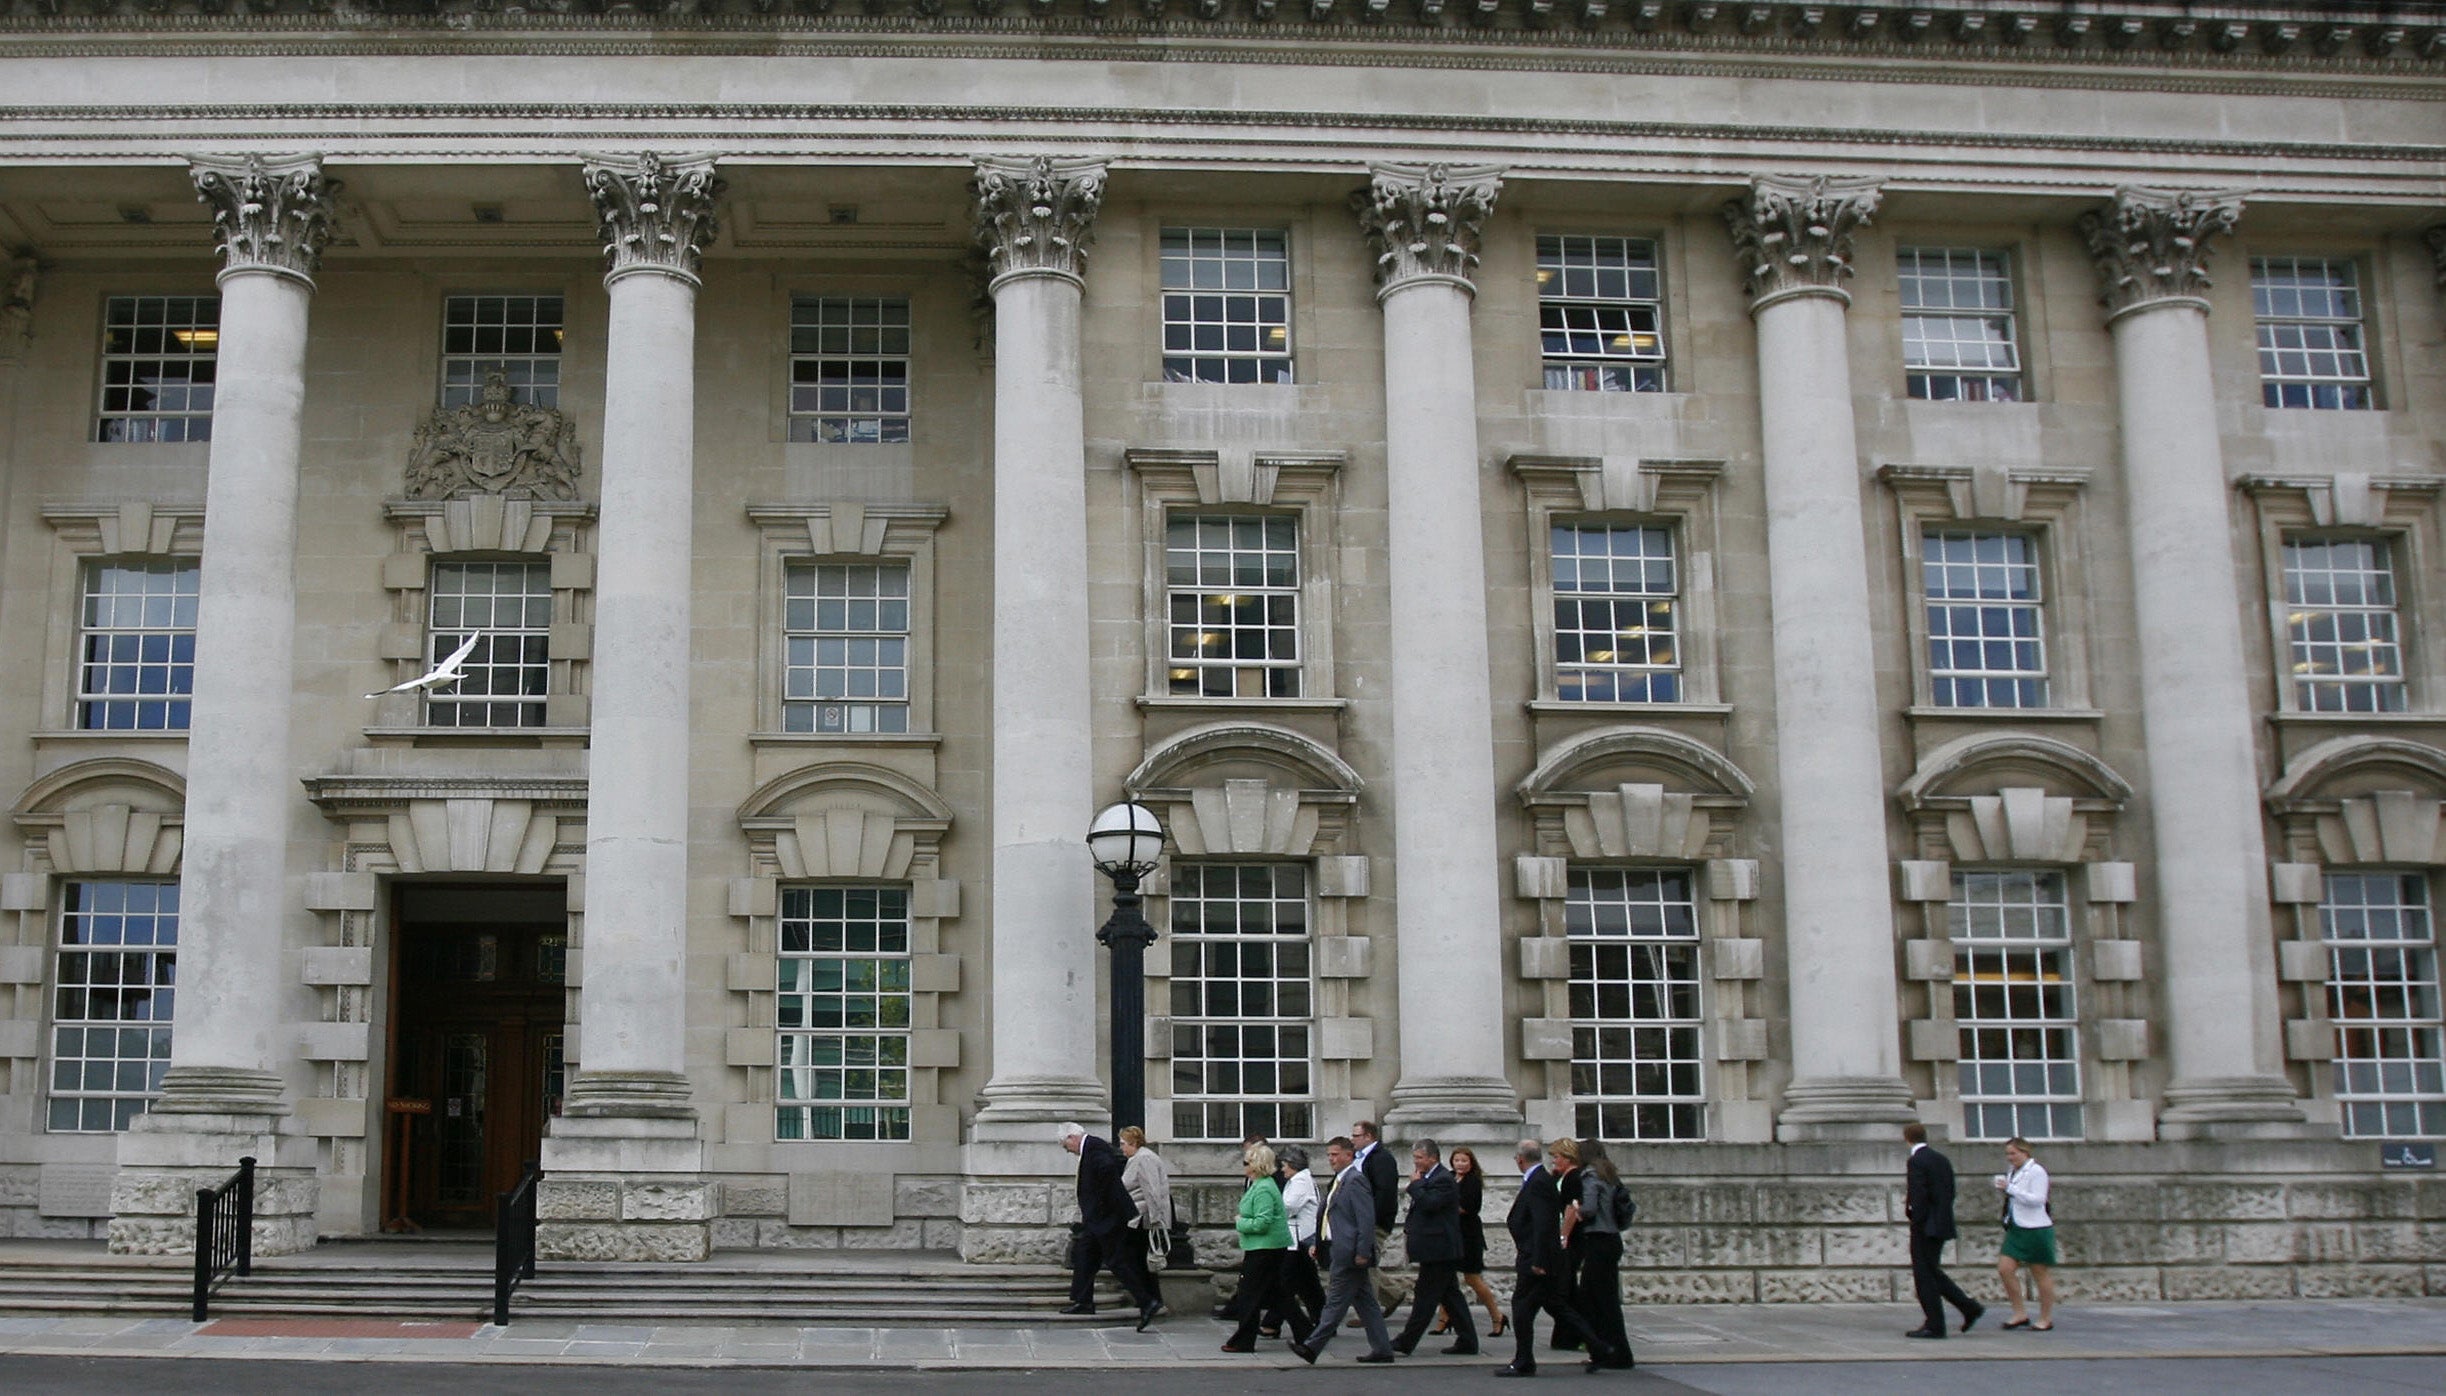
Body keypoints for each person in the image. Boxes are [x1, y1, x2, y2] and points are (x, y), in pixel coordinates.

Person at [1498, 1137, 1623, 1375]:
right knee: (1556, 1305)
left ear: (1520, 1159)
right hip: (1544, 1255)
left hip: (1538, 1257)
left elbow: (1544, 1224)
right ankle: (1598, 1347)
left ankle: (1524, 1360)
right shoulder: (1542, 1179)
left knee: (1522, 1307)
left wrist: (1539, 1260)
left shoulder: (1538, 1182)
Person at [1288, 1136, 1396, 1365]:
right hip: (1338, 1248)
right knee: (1367, 1304)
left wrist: (1363, 1251)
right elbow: (1328, 1216)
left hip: (1349, 1252)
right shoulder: (1339, 1180)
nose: (1331, 1159)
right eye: (1329, 1155)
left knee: (1335, 1303)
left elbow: (1365, 1219)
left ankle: (1311, 1347)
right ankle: (1383, 1349)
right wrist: (1320, 1242)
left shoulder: (1356, 1180)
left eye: (1335, 1155)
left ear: (1349, 1155)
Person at [1057, 1122, 1163, 1330]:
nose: (1066, 1150)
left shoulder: (1094, 1149)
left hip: (1106, 1218)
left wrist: (1102, 1206)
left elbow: (1108, 1174)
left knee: (1117, 1261)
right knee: (1084, 1255)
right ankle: (1083, 1301)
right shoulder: (1091, 1149)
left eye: (1064, 1145)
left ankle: (1147, 1301)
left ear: (1072, 1138)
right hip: (1098, 1218)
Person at [1389, 1137, 1477, 1357]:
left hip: (1440, 1248)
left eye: (1419, 1158)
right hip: (1433, 1248)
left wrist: (1415, 1185)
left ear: (1432, 1157)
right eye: (1415, 1158)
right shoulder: (1429, 1177)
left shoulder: (1444, 1179)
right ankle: (1468, 1340)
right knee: (1451, 1296)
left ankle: (1406, 1341)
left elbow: (1430, 1204)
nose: (1416, 1162)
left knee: (1425, 1297)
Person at [1902, 1122, 1984, 1339]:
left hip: (1924, 1225)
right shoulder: (1941, 1159)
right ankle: (1968, 1307)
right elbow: (1949, 1191)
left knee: (1924, 1276)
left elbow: (1918, 1195)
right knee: (1932, 1271)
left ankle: (1935, 1323)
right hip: (1941, 1222)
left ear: (1907, 1138)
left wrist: (1914, 1217)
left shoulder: (1916, 1161)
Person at [1564, 1138, 1633, 1369]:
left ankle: (1609, 1352)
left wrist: (1576, 1208)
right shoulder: (1609, 1174)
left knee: (1594, 1301)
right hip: (1612, 1240)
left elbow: (1590, 1209)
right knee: (1606, 1300)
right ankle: (1610, 1351)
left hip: (1598, 1240)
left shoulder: (1590, 1176)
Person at [1222, 1143, 1294, 1353]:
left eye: (1246, 1162)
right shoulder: (1262, 1184)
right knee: (1278, 1295)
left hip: (1265, 1247)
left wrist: (1240, 1222)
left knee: (1248, 1295)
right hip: (1267, 1246)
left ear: (1255, 1165)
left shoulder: (1263, 1188)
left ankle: (1243, 1340)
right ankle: (1306, 1332)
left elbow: (1262, 1223)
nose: (1244, 1166)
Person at [1440, 1146, 1507, 1340]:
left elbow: (1469, 1207)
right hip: (1451, 1234)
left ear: (1471, 1163)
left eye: (1464, 1161)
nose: (1460, 1164)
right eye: (1457, 1160)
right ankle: (1444, 1318)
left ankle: (1497, 1316)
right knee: (1446, 1278)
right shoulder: (1449, 1177)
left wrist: (1443, 1206)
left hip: (1468, 1235)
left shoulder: (1473, 1182)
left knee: (1472, 1278)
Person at [1994, 1137, 2058, 1332]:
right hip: (2017, 1227)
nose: (2010, 1157)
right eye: (2007, 1154)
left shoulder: (2037, 1171)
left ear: (2025, 1152)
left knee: (2039, 1272)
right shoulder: (2013, 1171)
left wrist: (2010, 1189)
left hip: (2036, 1228)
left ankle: (2045, 1317)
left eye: (2013, 1153)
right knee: (2005, 1269)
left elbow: (2038, 1199)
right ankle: (2019, 1312)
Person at [1266, 1144, 1325, 1340]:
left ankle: (1273, 1323)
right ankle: (1323, 1319)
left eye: (1284, 1165)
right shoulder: (1299, 1179)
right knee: (1307, 1283)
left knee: (1285, 1282)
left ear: (1293, 1164)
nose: (1282, 1169)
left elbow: (1288, 1207)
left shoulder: (1300, 1181)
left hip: (1298, 1238)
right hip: (1298, 1238)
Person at [1118, 1126, 1174, 1306]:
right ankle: (1150, 1297)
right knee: (1140, 1259)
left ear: (1133, 1143)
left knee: (1137, 1259)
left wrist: (1156, 1218)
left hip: (1144, 1217)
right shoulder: (1139, 1158)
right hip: (1141, 1216)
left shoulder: (1143, 1159)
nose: (1121, 1148)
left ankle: (1150, 1298)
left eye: (1123, 1144)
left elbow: (1151, 1190)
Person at [1542, 1137, 1585, 1354]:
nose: (1554, 1161)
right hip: (1566, 1238)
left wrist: (1563, 1237)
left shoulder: (1573, 1177)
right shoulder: (1563, 1176)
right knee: (1566, 1290)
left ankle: (1577, 1333)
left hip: (1571, 1240)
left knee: (1564, 1290)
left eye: (1556, 1157)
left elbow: (1572, 1209)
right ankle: (1567, 1335)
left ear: (1567, 1158)